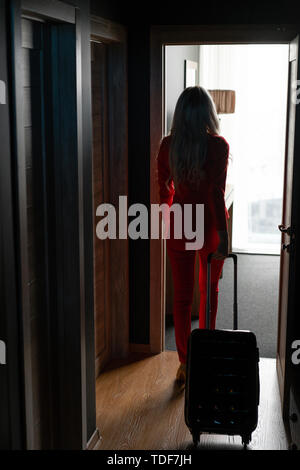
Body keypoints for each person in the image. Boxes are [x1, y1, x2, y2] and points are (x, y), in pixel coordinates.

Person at [156, 86, 230, 390]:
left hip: (179, 224)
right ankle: (208, 354)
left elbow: (165, 191)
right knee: (209, 292)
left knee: (183, 298)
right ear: (207, 113)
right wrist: (224, 237)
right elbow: (216, 194)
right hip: (209, 225)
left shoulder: (168, 145)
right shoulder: (218, 146)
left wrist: (169, 218)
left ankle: (186, 363)